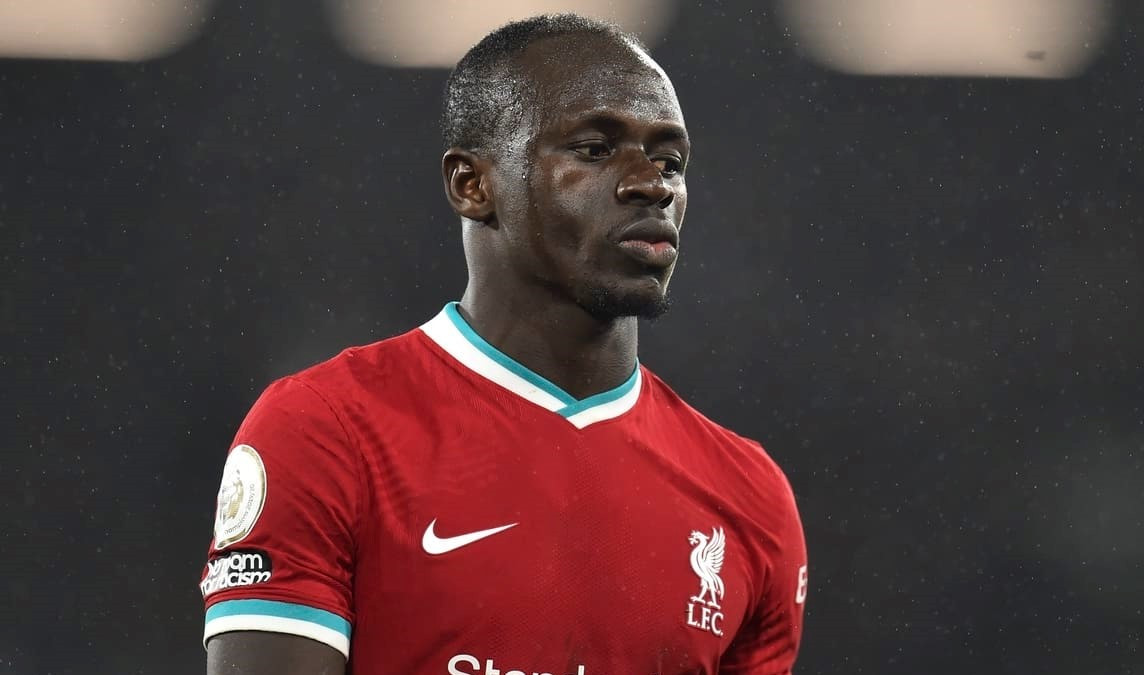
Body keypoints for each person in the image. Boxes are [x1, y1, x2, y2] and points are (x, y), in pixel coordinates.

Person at [200, 13, 808, 675]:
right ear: (472, 184)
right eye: (595, 149)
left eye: (670, 162)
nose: (652, 184)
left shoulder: (751, 498)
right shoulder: (327, 430)